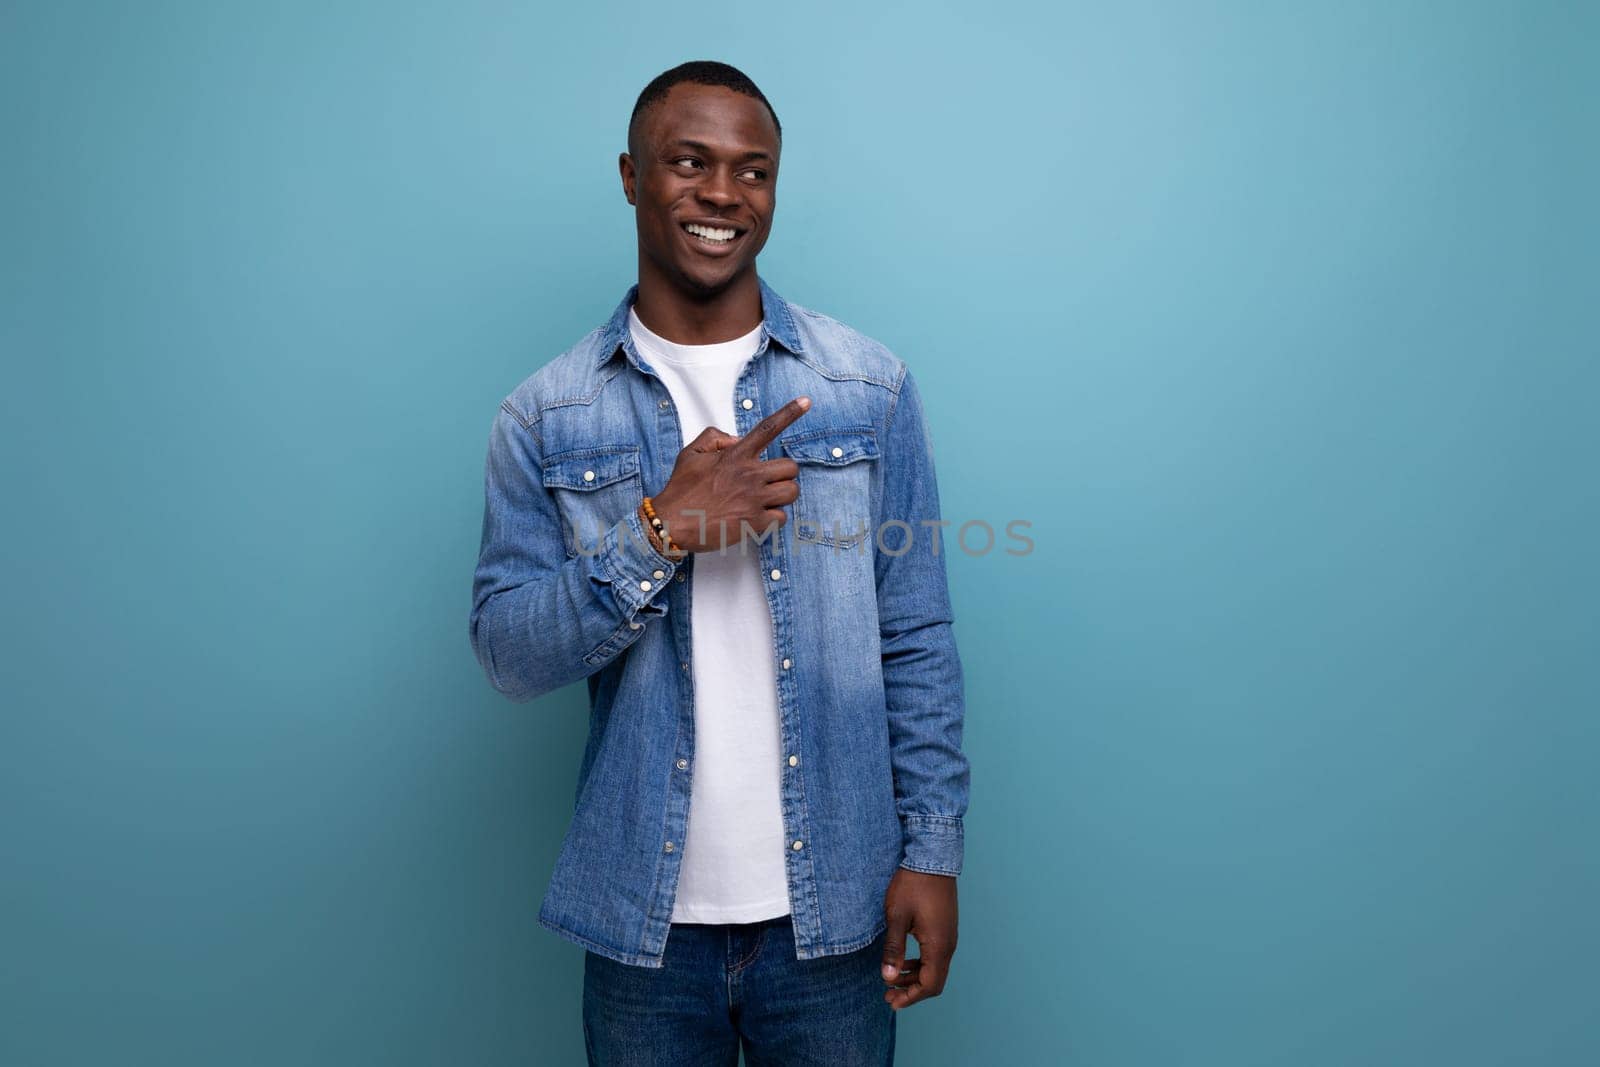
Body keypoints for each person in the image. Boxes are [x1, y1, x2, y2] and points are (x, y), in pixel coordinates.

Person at [469, 60, 969, 1065]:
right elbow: (508, 654)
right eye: (688, 162)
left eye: (752, 171)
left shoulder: (863, 388)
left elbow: (913, 633)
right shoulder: (547, 413)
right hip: (642, 923)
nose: (722, 195)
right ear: (630, 175)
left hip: (835, 904)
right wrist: (658, 529)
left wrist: (933, 851)